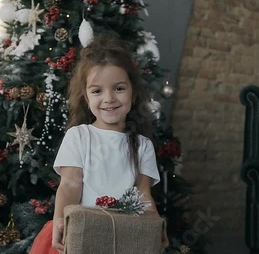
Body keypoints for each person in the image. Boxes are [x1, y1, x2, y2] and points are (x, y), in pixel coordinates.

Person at [29, 34, 167, 254]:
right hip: (84, 235)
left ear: (133, 92)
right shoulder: (79, 136)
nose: (109, 98)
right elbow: (70, 185)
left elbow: (143, 194)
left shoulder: (142, 145)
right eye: (97, 91)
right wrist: (59, 220)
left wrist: (155, 224)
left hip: (124, 239)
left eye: (119, 88)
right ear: (86, 96)